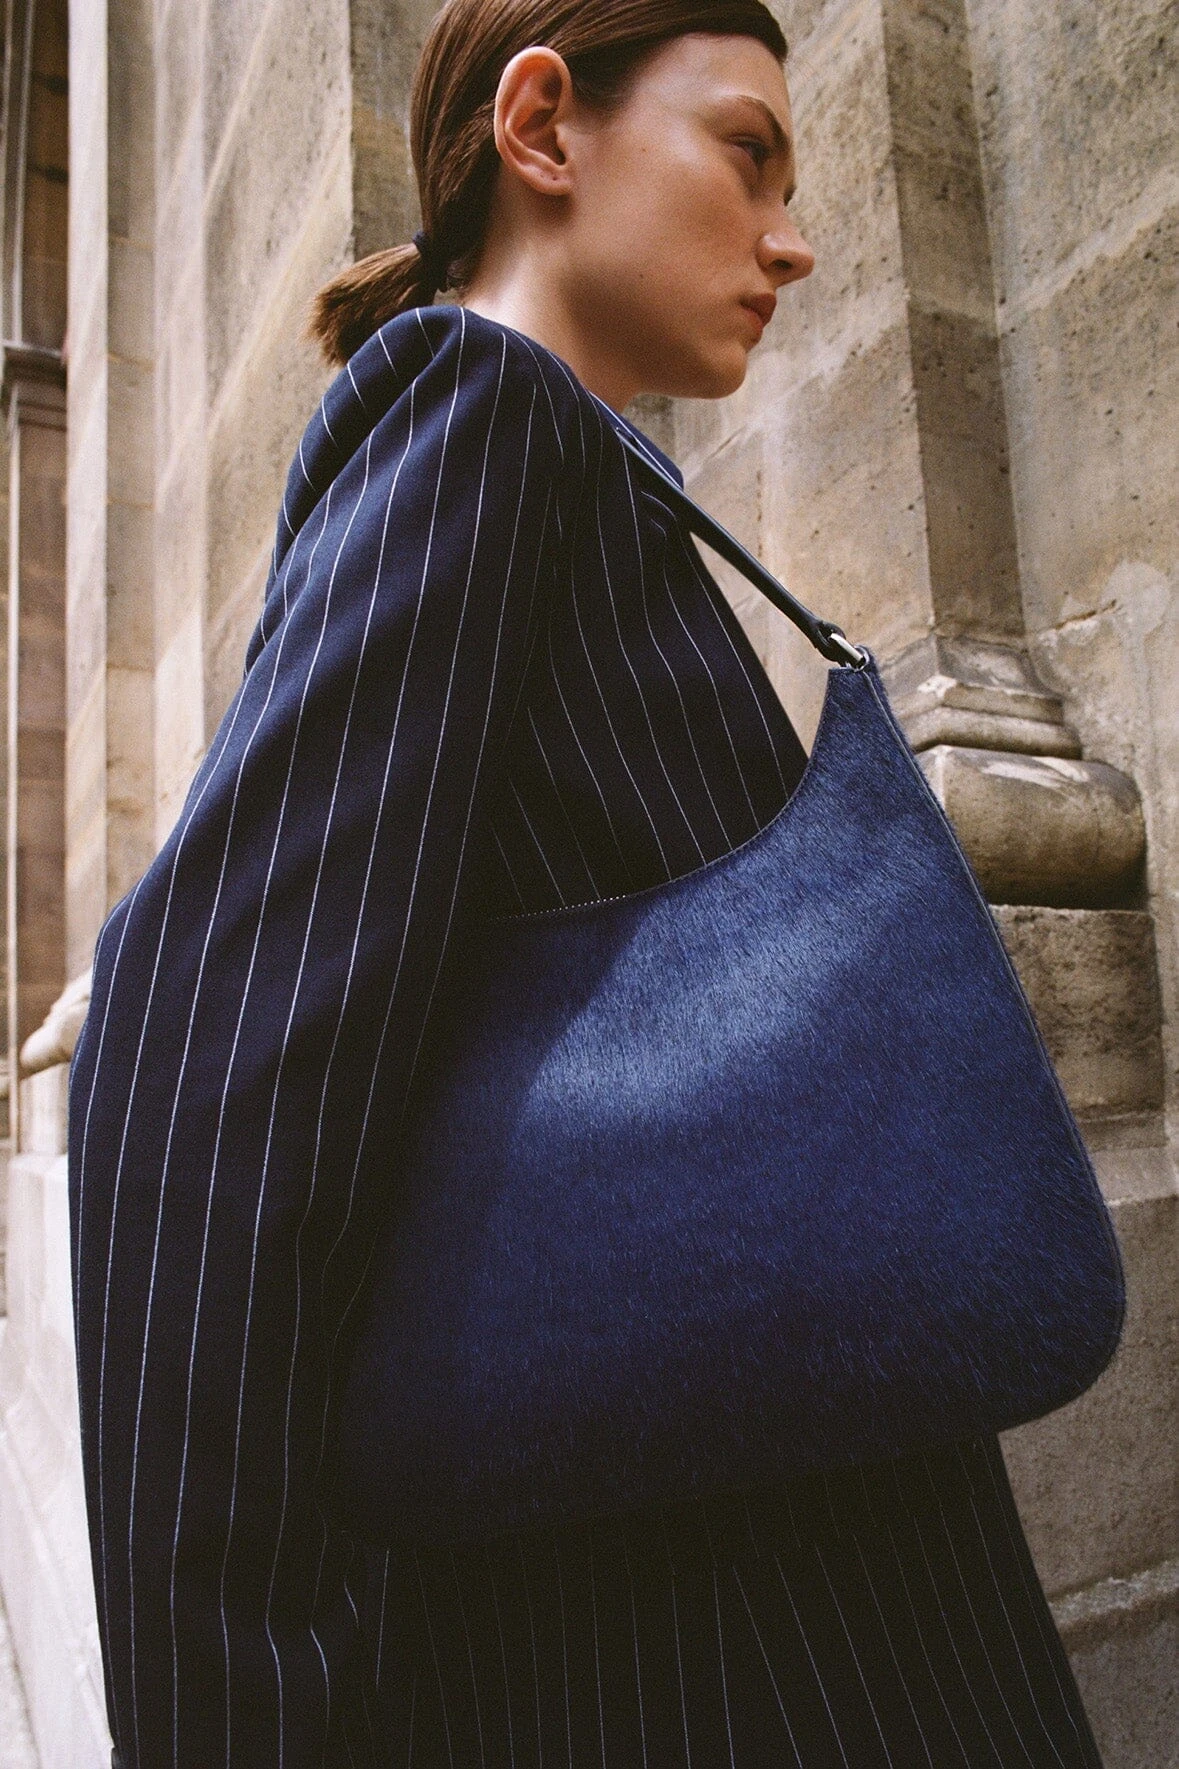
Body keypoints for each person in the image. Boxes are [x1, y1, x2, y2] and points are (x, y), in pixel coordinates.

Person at [68, 0, 1107, 1763]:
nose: (792, 239)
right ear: (543, 129)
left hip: (747, 1565)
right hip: (709, 1643)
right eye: (746, 152)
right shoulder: (481, 417)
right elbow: (197, 1071)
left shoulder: (570, 464)